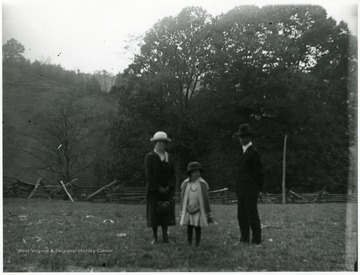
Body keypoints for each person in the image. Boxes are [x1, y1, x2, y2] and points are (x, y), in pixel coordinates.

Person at [234, 123, 264, 245]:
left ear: (250, 138)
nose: (242, 139)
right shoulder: (242, 153)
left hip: (250, 190)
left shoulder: (253, 153)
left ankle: (256, 240)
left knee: (252, 215)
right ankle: (244, 239)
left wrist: (259, 189)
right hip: (241, 190)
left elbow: (259, 173)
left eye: (245, 137)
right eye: (240, 137)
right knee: (241, 216)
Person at [144, 131, 176, 244]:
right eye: (159, 143)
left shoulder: (169, 157)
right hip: (154, 191)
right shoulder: (150, 157)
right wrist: (158, 188)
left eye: (163, 143)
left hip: (167, 191)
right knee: (154, 214)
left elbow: (173, 173)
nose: (161, 145)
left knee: (166, 214)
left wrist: (169, 187)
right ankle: (155, 237)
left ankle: (166, 237)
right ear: (155, 143)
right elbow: (149, 175)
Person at [180, 161, 213, 246]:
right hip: (188, 208)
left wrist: (199, 208)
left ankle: (197, 242)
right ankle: (189, 241)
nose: (196, 174)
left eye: (198, 172)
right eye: (194, 172)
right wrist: (186, 207)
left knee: (197, 226)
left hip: (199, 209)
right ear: (190, 173)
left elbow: (205, 198)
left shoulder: (202, 184)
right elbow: (183, 197)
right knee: (189, 226)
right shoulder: (185, 184)